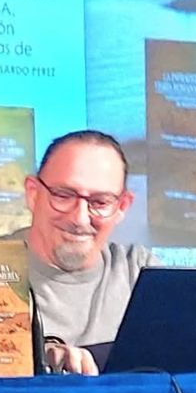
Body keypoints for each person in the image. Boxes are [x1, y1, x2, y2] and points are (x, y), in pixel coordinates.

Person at [18, 129, 153, 375]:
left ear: (122, 207)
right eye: (64, 195)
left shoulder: (140, 272)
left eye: (100, 202)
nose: (79, 218)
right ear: (33, 194)